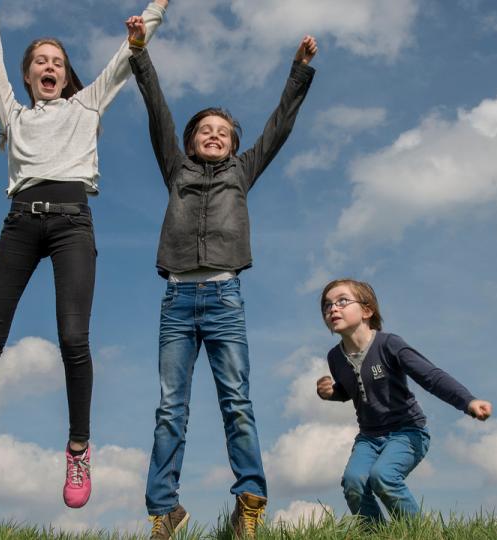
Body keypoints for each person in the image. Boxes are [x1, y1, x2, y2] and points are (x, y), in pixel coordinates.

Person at [0, 0, 168, 509]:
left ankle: (78, 450)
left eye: (56, 61)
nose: (49, 67)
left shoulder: (87, 105)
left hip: (71, 224)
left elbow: (124, 58)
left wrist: (156, 9)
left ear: (66, 74)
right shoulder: (13, 115)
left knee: (72, 337)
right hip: (19, 223)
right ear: (29, 73)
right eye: (40, 60)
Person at [125, 16, 318, 539]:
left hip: (225, 296)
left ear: (233, 145)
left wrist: (299, 72)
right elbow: (157, 111)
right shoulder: (176, 169)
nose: (213, 135)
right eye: (204, 131)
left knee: (237, 400)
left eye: (223, 132)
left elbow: (280, 125)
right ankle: (164, 510)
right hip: (177, 299)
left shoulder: (243, 171)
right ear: (189, 144)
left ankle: (249, 498)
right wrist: (139, 53)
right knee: (171, 407)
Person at [315, 279, 493, 522]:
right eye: (327, 305)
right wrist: (331, 393)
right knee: (353, 482)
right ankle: (374, 534)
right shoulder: (335, 357)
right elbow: (349, 390)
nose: (333, 309)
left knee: (383, 477)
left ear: (367, 310)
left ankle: (419, 533)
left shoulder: (389, 345)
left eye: (342, 301)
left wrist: (468, 401)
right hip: (368, 437)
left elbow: (431, 376)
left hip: (408, 432)